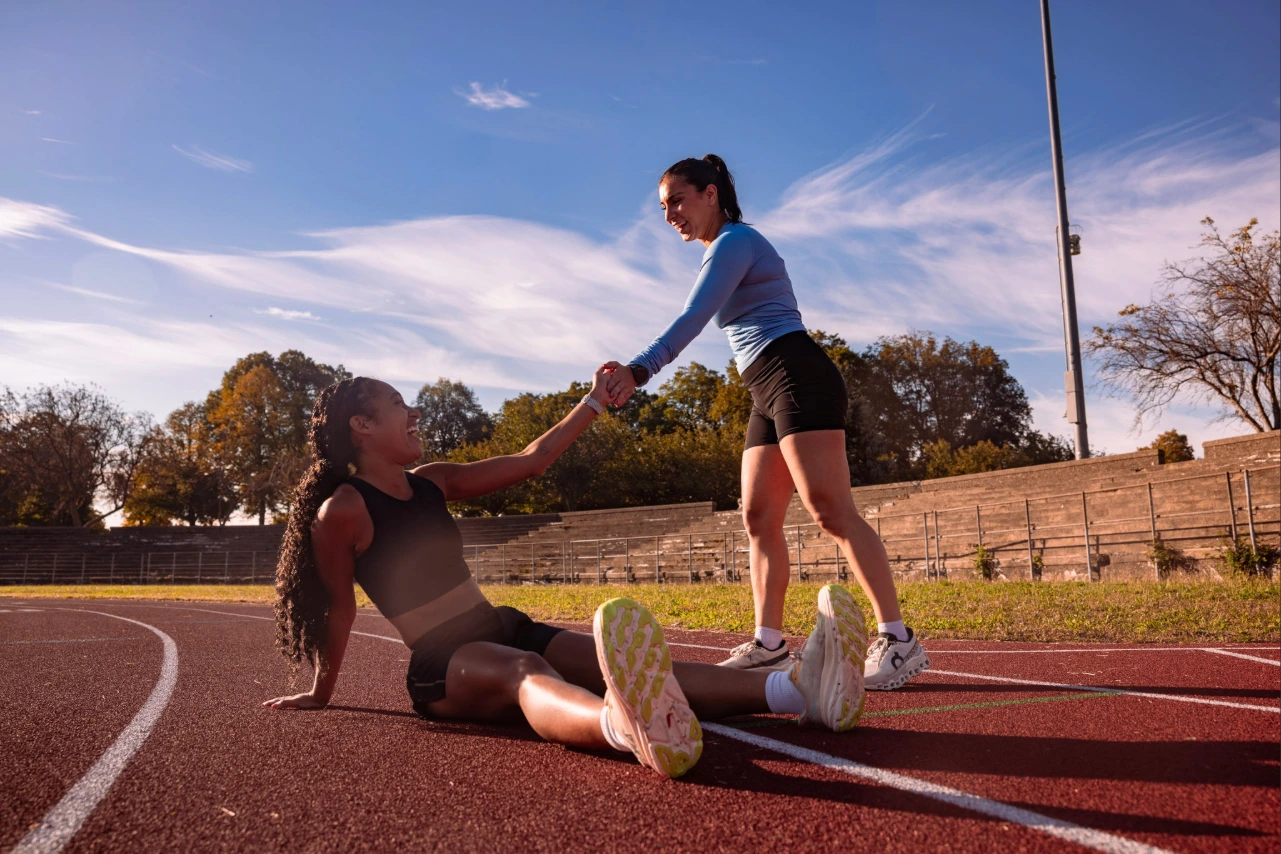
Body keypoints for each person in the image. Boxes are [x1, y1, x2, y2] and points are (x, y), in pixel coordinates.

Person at [263, 372, 870, 779]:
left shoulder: (436, 480)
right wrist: (321, 691)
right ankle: (621, 727)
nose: (414, 411)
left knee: (645, 664)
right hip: (442, 663)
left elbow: (534, 460)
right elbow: (339, 607)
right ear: (361, 428)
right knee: (530, 673)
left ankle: (799, 691)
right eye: (399, 405)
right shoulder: (340, 510)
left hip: (500, 624)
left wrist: (595, 401)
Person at [602, 154, 929, 690]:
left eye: (677, 201)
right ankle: (770, 646)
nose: (670, 216)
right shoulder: (719, 249)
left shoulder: (735, 242)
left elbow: (693, 317)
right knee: (757, 517)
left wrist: (640, 370)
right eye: (663, 208)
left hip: (796, 372)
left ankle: (899, 640)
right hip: (764, 387)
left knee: (830, 510)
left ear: (711, 194)